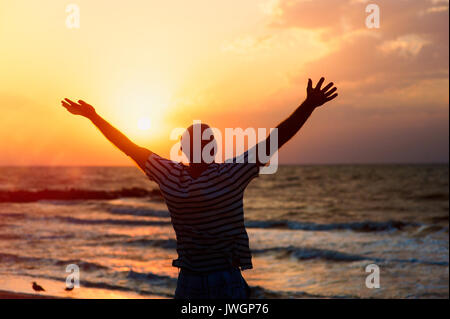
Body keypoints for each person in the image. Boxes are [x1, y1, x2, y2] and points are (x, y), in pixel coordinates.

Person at [61, 77, 338, 299]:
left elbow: (128, 147)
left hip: (189, 281)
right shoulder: (231, 174)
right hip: (226, 280)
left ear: (182, 149)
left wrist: (93, 117)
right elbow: (276, 138)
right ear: (214, 148)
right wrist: (309, 105)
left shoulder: (169, 175)